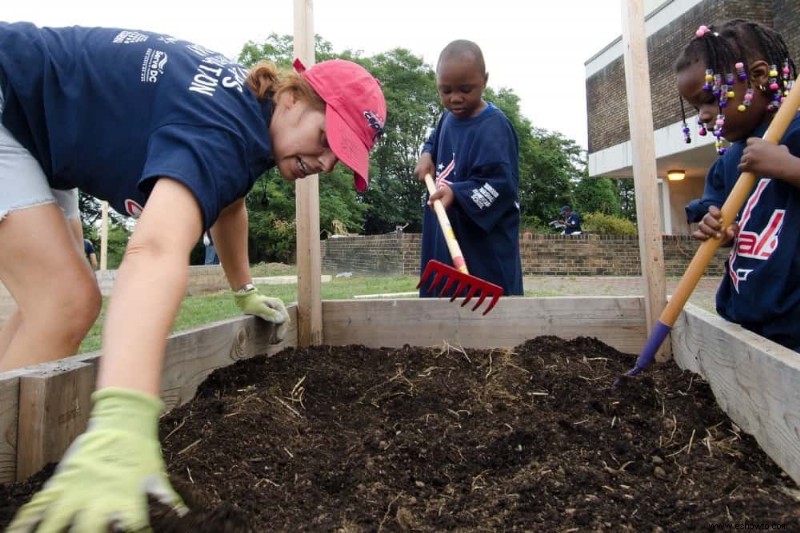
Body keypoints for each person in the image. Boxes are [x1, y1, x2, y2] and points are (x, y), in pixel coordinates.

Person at [1, 22, 386, 531]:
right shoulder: (223, 129)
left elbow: (230, 206)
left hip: (37, 131)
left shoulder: (248, 116)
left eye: (341, 156)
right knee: (65, 302)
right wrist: (123, 419)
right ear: (292, 97)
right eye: (326, 138)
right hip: (12, 100)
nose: (328, 161)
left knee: (52, 306)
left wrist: (243, 291)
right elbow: (156, 248)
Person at [677, 19, 800, 351]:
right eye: (695, 107)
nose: (702, 115)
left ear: (758, 77)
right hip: (745, 317)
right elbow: (715, 213)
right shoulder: (729, 161)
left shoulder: (796, 135)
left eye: (709, 99)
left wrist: (789, 167)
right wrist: (715, 226)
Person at [413, 39, 522, 297]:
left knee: (487, 317)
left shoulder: (493, 127)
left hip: (482, 245)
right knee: (444, 306)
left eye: (465, 89)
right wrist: (426, 154)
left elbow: (500, 184)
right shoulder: (447, 119)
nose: (455, 98)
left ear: (484, 80)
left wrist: (456, 194)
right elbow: (432, 140)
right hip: (447, 232)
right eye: (446, 90)